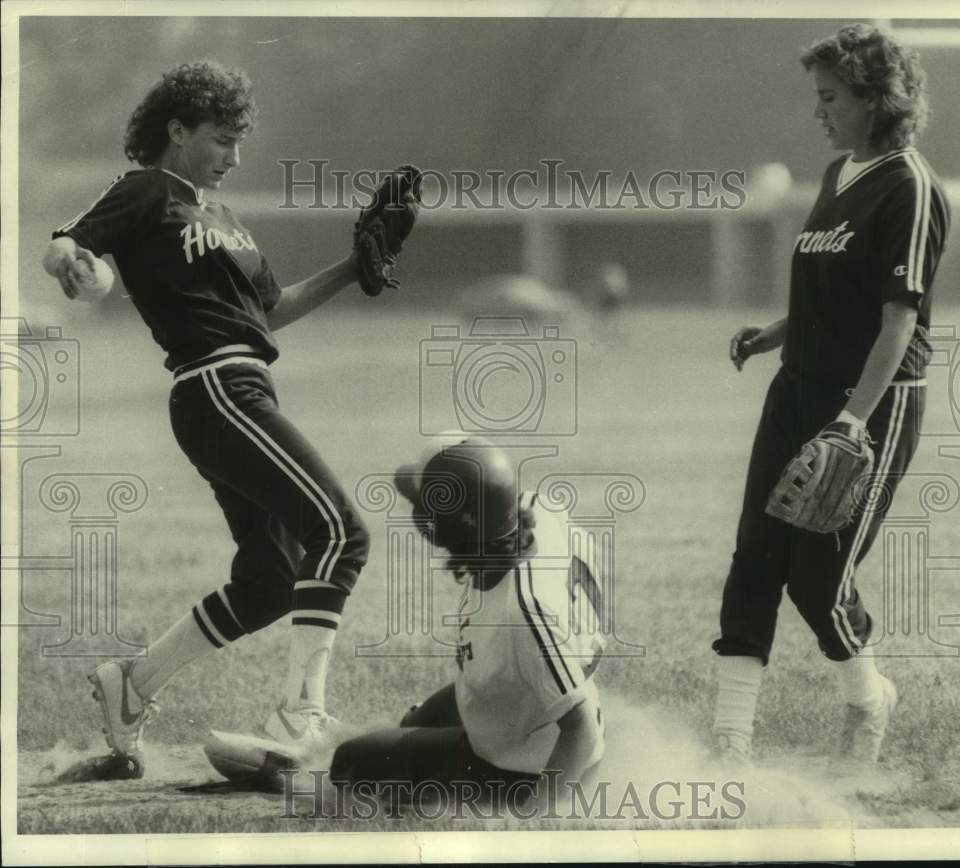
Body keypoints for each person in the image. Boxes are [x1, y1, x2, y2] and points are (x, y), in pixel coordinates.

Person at [42, 61, 387, 777]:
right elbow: (72, 247)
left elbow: (273, 309)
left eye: (240, 142)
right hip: (216, 386)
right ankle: (301, 713)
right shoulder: (145, 189)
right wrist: (76, 265)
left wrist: (355, 267)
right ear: (178, 131)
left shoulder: (225, 218)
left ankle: (133, 685)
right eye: (223, 139)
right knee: (342, 531)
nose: (236, 156)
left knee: (269, 580)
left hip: (243, 389)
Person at [712, 24, 950, 771]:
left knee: (820, 580)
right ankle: (729, 740)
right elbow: (833, 294)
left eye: (831, 97)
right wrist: (774, 334)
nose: (819, 111)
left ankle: (868, 700)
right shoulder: (835, 172)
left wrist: (851, 423)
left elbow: (897, 318)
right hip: (797, 389)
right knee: (755, 558)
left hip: (869, 404)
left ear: (877, 99)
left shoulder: (910, 186)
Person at [211, 434, 606, 807]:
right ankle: (376, 746)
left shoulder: (519, 615)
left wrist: (530, 826)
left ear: (444, 526)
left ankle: (305, 782)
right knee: (417, 721)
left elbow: (580, 732)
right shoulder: (533, 511)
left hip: (529, 770)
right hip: (522, 709)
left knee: (354, 762)